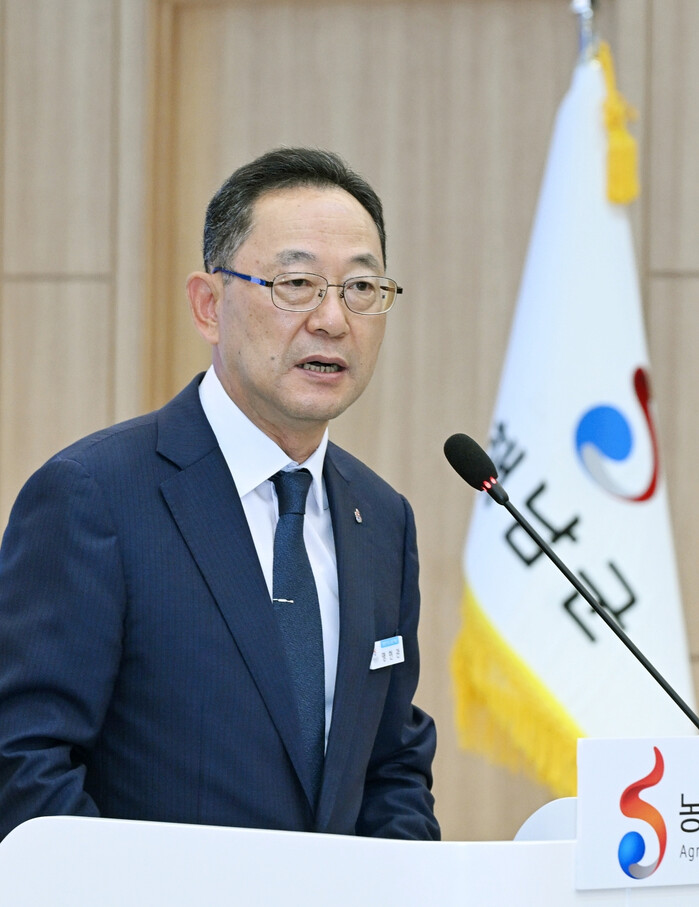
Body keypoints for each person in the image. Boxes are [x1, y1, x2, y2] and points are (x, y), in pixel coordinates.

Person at [0, 148, 439, 842]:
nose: (332, 319)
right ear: (209, 306)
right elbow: (23, 761)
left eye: (360, 287)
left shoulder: (383, 520)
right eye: (296, 283)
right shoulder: (93, 497)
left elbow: (391, 769)